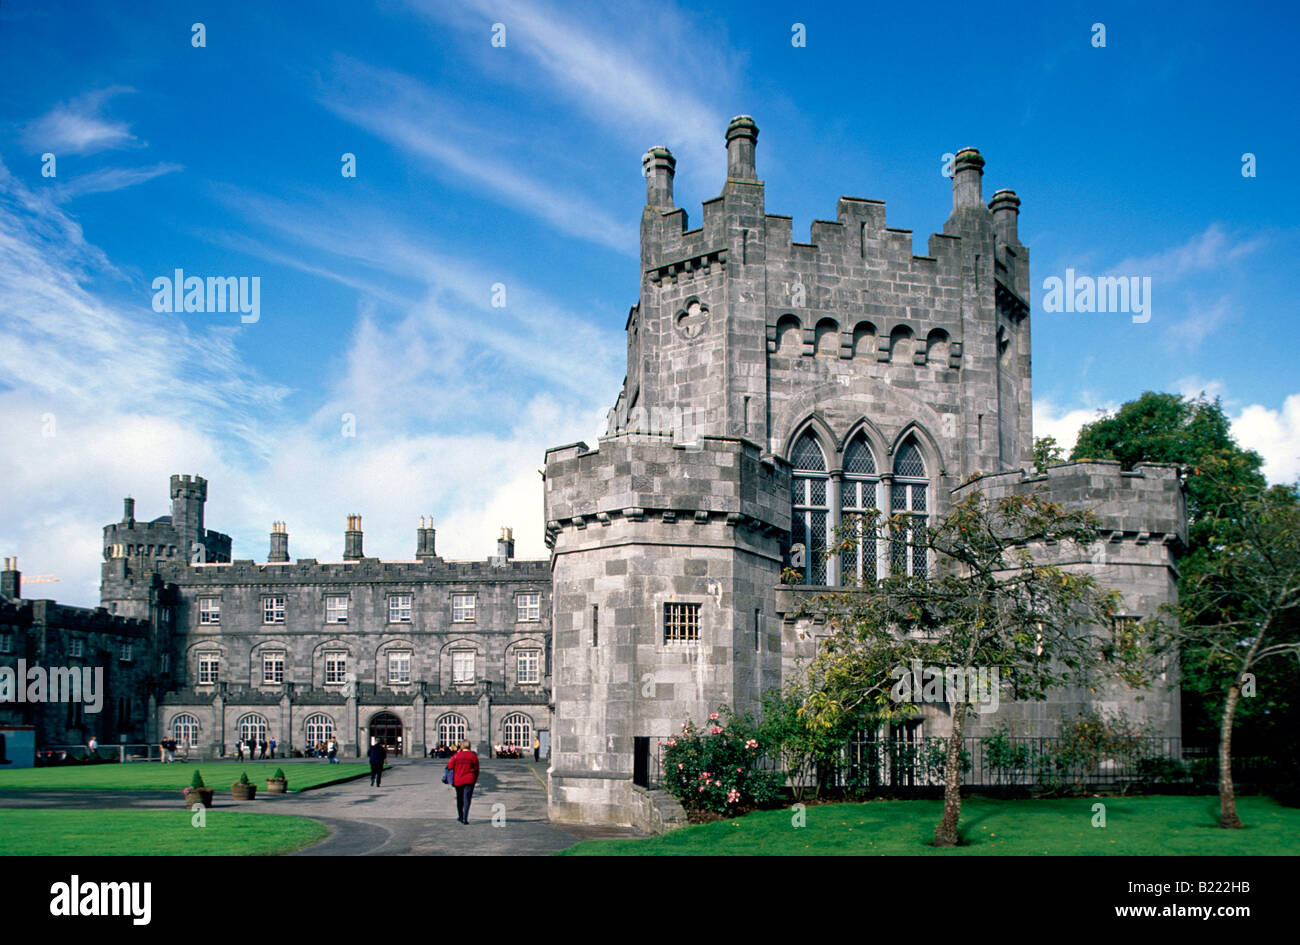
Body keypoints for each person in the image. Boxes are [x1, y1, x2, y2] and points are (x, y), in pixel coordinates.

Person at [446, 739, 479, 825]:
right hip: (469, 780)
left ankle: (460, 816)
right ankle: (465, 818)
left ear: (462, 746)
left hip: (458, 780)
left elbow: (449, 766)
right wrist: (474, 779)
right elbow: (476, 769)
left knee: (459, 799)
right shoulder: (473, 756)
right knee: (467, 799)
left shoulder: (457, 755)